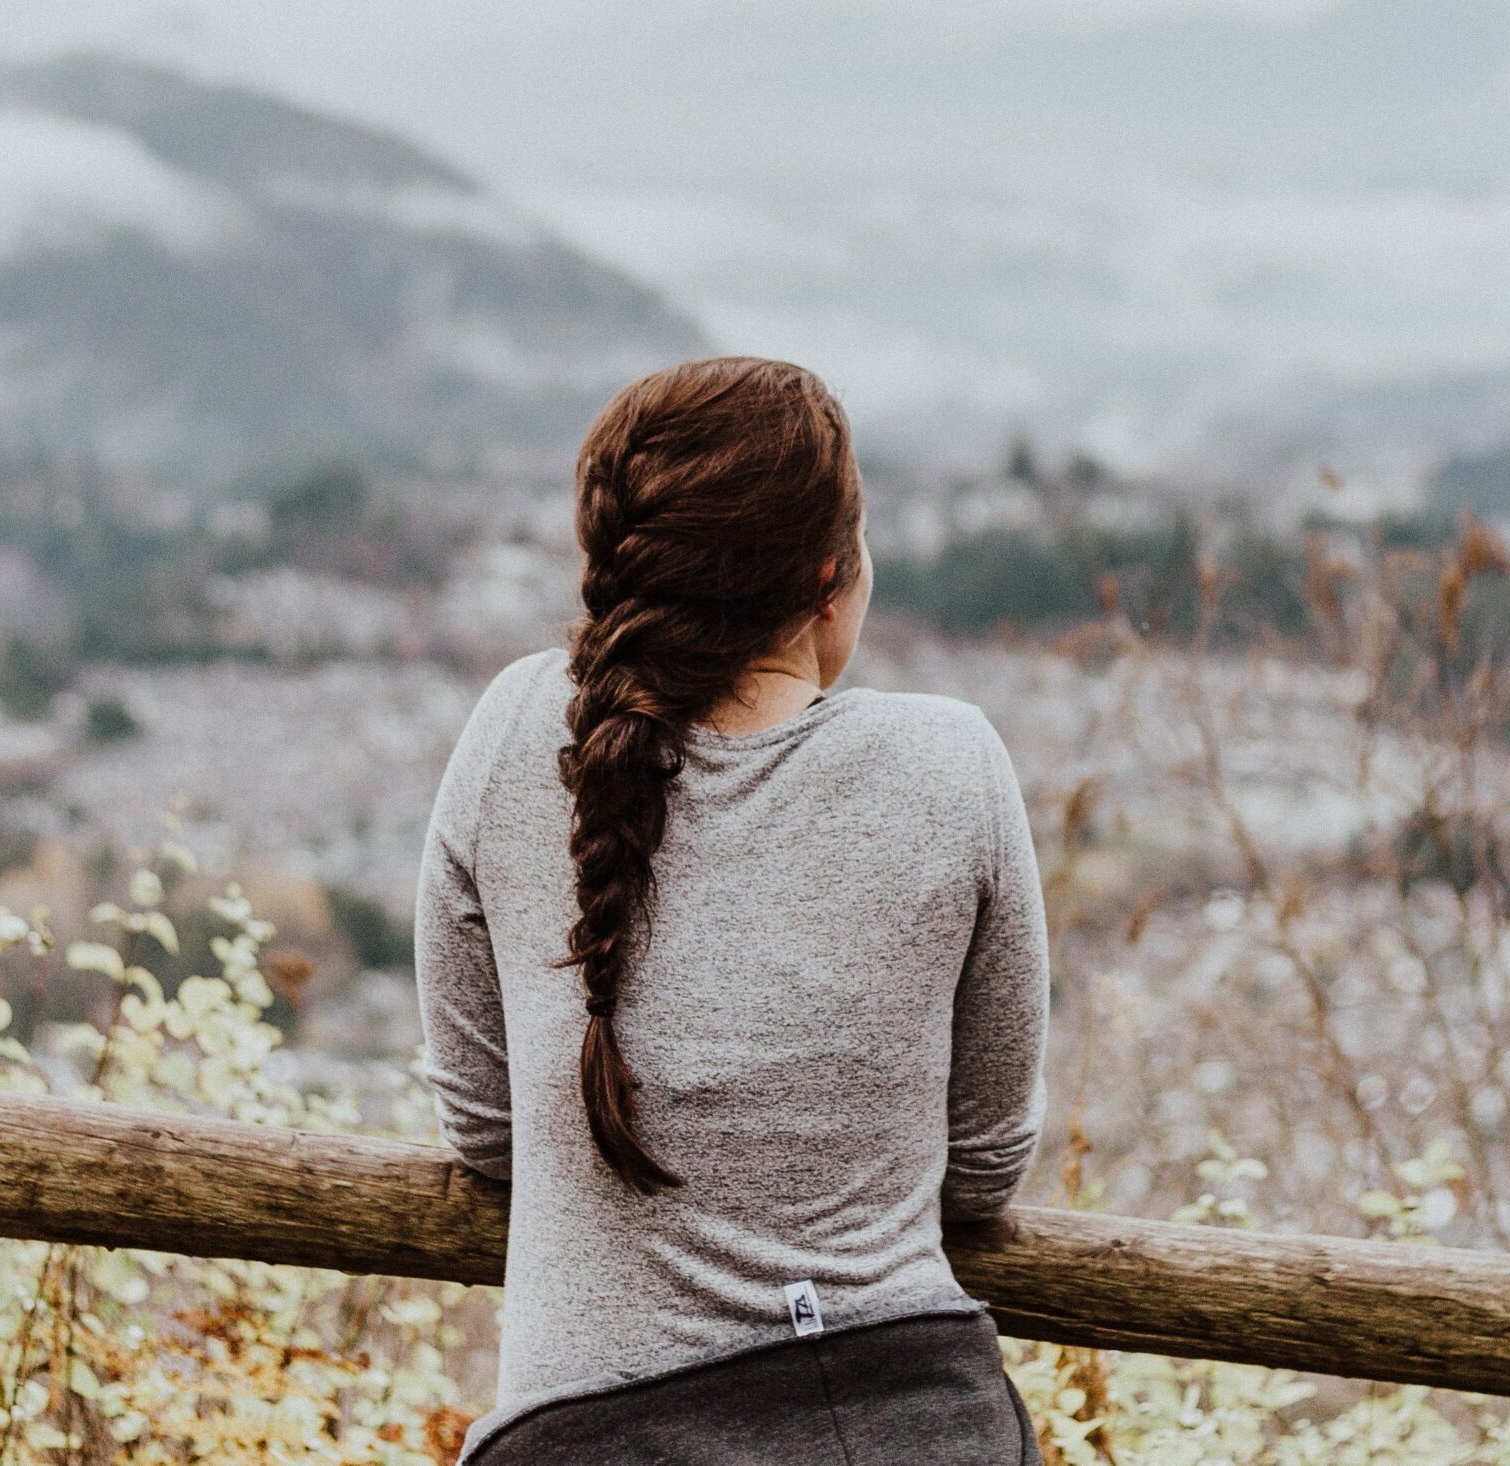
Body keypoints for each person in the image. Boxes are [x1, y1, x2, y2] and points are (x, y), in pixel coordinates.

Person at [414, 356, 1051, 1462]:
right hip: (907, 1424)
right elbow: (987, 1163)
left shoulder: (516, 732)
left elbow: (483, 1126)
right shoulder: (953, 766)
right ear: (827, 575)